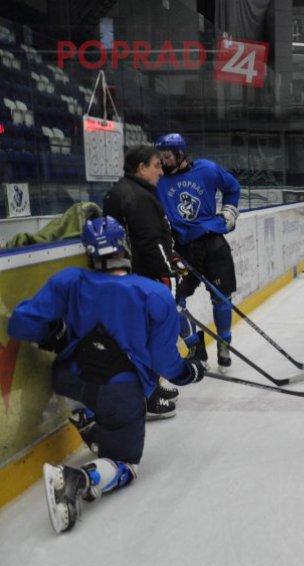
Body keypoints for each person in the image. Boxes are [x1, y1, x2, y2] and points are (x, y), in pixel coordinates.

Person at [7, 217, 204, 534]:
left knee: (90, 398)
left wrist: (53, 336)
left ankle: (86, 418)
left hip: (69, 381)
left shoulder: (69, 280)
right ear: (124, 246)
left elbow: (20, 323)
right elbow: (163, 359)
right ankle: (77, 478)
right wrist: (188, 373)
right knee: (127, 465)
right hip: (119, 394)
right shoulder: (154, 293)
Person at [103, 144, 182, 419]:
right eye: (156, 166)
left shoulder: (126, 191)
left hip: (130, 279)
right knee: (142, 339)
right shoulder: (137, 196)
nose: (161, 171)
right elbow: (150, 242)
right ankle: (146, 397)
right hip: (141, 279)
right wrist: (168, 273)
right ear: (141, 168)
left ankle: (151, 386)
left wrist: (170, 256)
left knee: (141, 338)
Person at [154, 133, 242, 370]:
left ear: (180, 154)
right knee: (173, 301)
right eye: (160, 156)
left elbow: (233, 188)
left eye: (167, 156)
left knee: (222, 298)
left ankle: (224, 344)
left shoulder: (207, 169)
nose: (163, 161)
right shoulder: (158, 179)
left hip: (212, 243)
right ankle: (195, 345)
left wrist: (230, 211)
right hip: (181, 249)